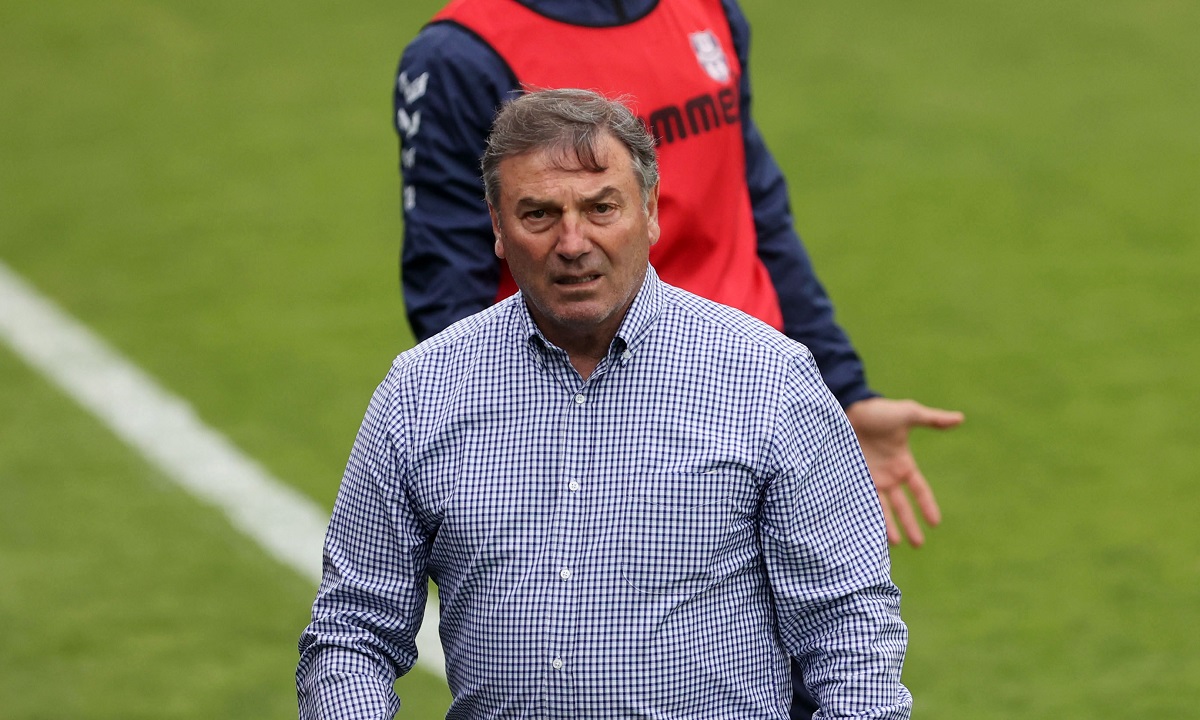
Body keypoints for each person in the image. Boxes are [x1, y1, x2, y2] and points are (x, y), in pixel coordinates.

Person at [299, 89, 911, 719]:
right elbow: (352, 633)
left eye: (600, 208)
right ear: (498, 228)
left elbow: (850, 629)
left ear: (650, 211)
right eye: (539, 214)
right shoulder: (420, 392)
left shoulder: (770, 381)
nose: (573, 242)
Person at [394, 0, 964, 557]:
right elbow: (448, 287)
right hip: (592, 429)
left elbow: (756, 212)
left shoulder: (710, 10)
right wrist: (518, 449)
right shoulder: (460, 54)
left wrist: (843, 392)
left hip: (751, 405)